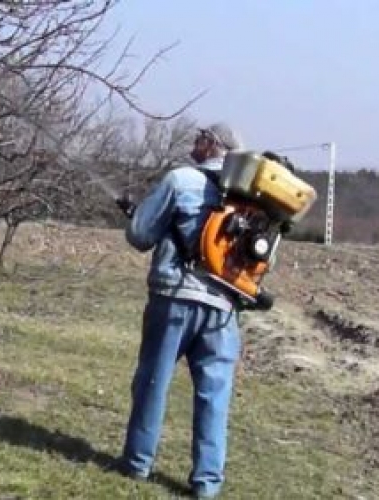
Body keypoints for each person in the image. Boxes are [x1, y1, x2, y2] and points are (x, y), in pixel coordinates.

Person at [114, 123, 245, 499]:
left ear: (212, 144)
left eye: (199, 137)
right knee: (214, 395)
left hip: (174, 297)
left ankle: (137, 464)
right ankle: (207, 484)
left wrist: (140, 216)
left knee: (153, 381)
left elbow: (140, 236)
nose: (194, 142)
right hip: (224, 309)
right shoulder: (253, 199)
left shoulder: (181, 179)